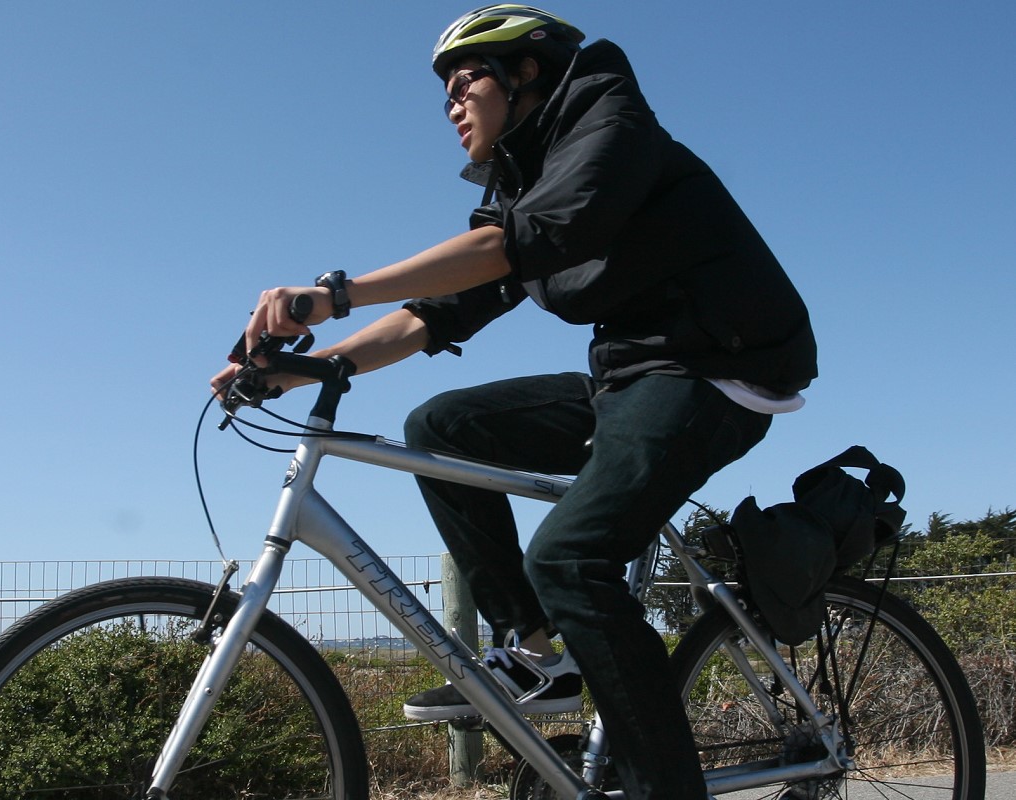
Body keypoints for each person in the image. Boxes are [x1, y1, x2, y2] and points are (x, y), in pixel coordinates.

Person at [209, 6, 816, 798]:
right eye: (446, 98)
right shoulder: (520, 180)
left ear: (525, 71)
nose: (453, 108)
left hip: (718, 371)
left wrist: (332, 294)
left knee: (568, 557)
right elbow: (440, 312)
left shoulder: (612, 122)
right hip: (631, 379)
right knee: (440, 426)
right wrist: (309, 370)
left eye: (465, 84)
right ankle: (538, 650)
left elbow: (523, 243)